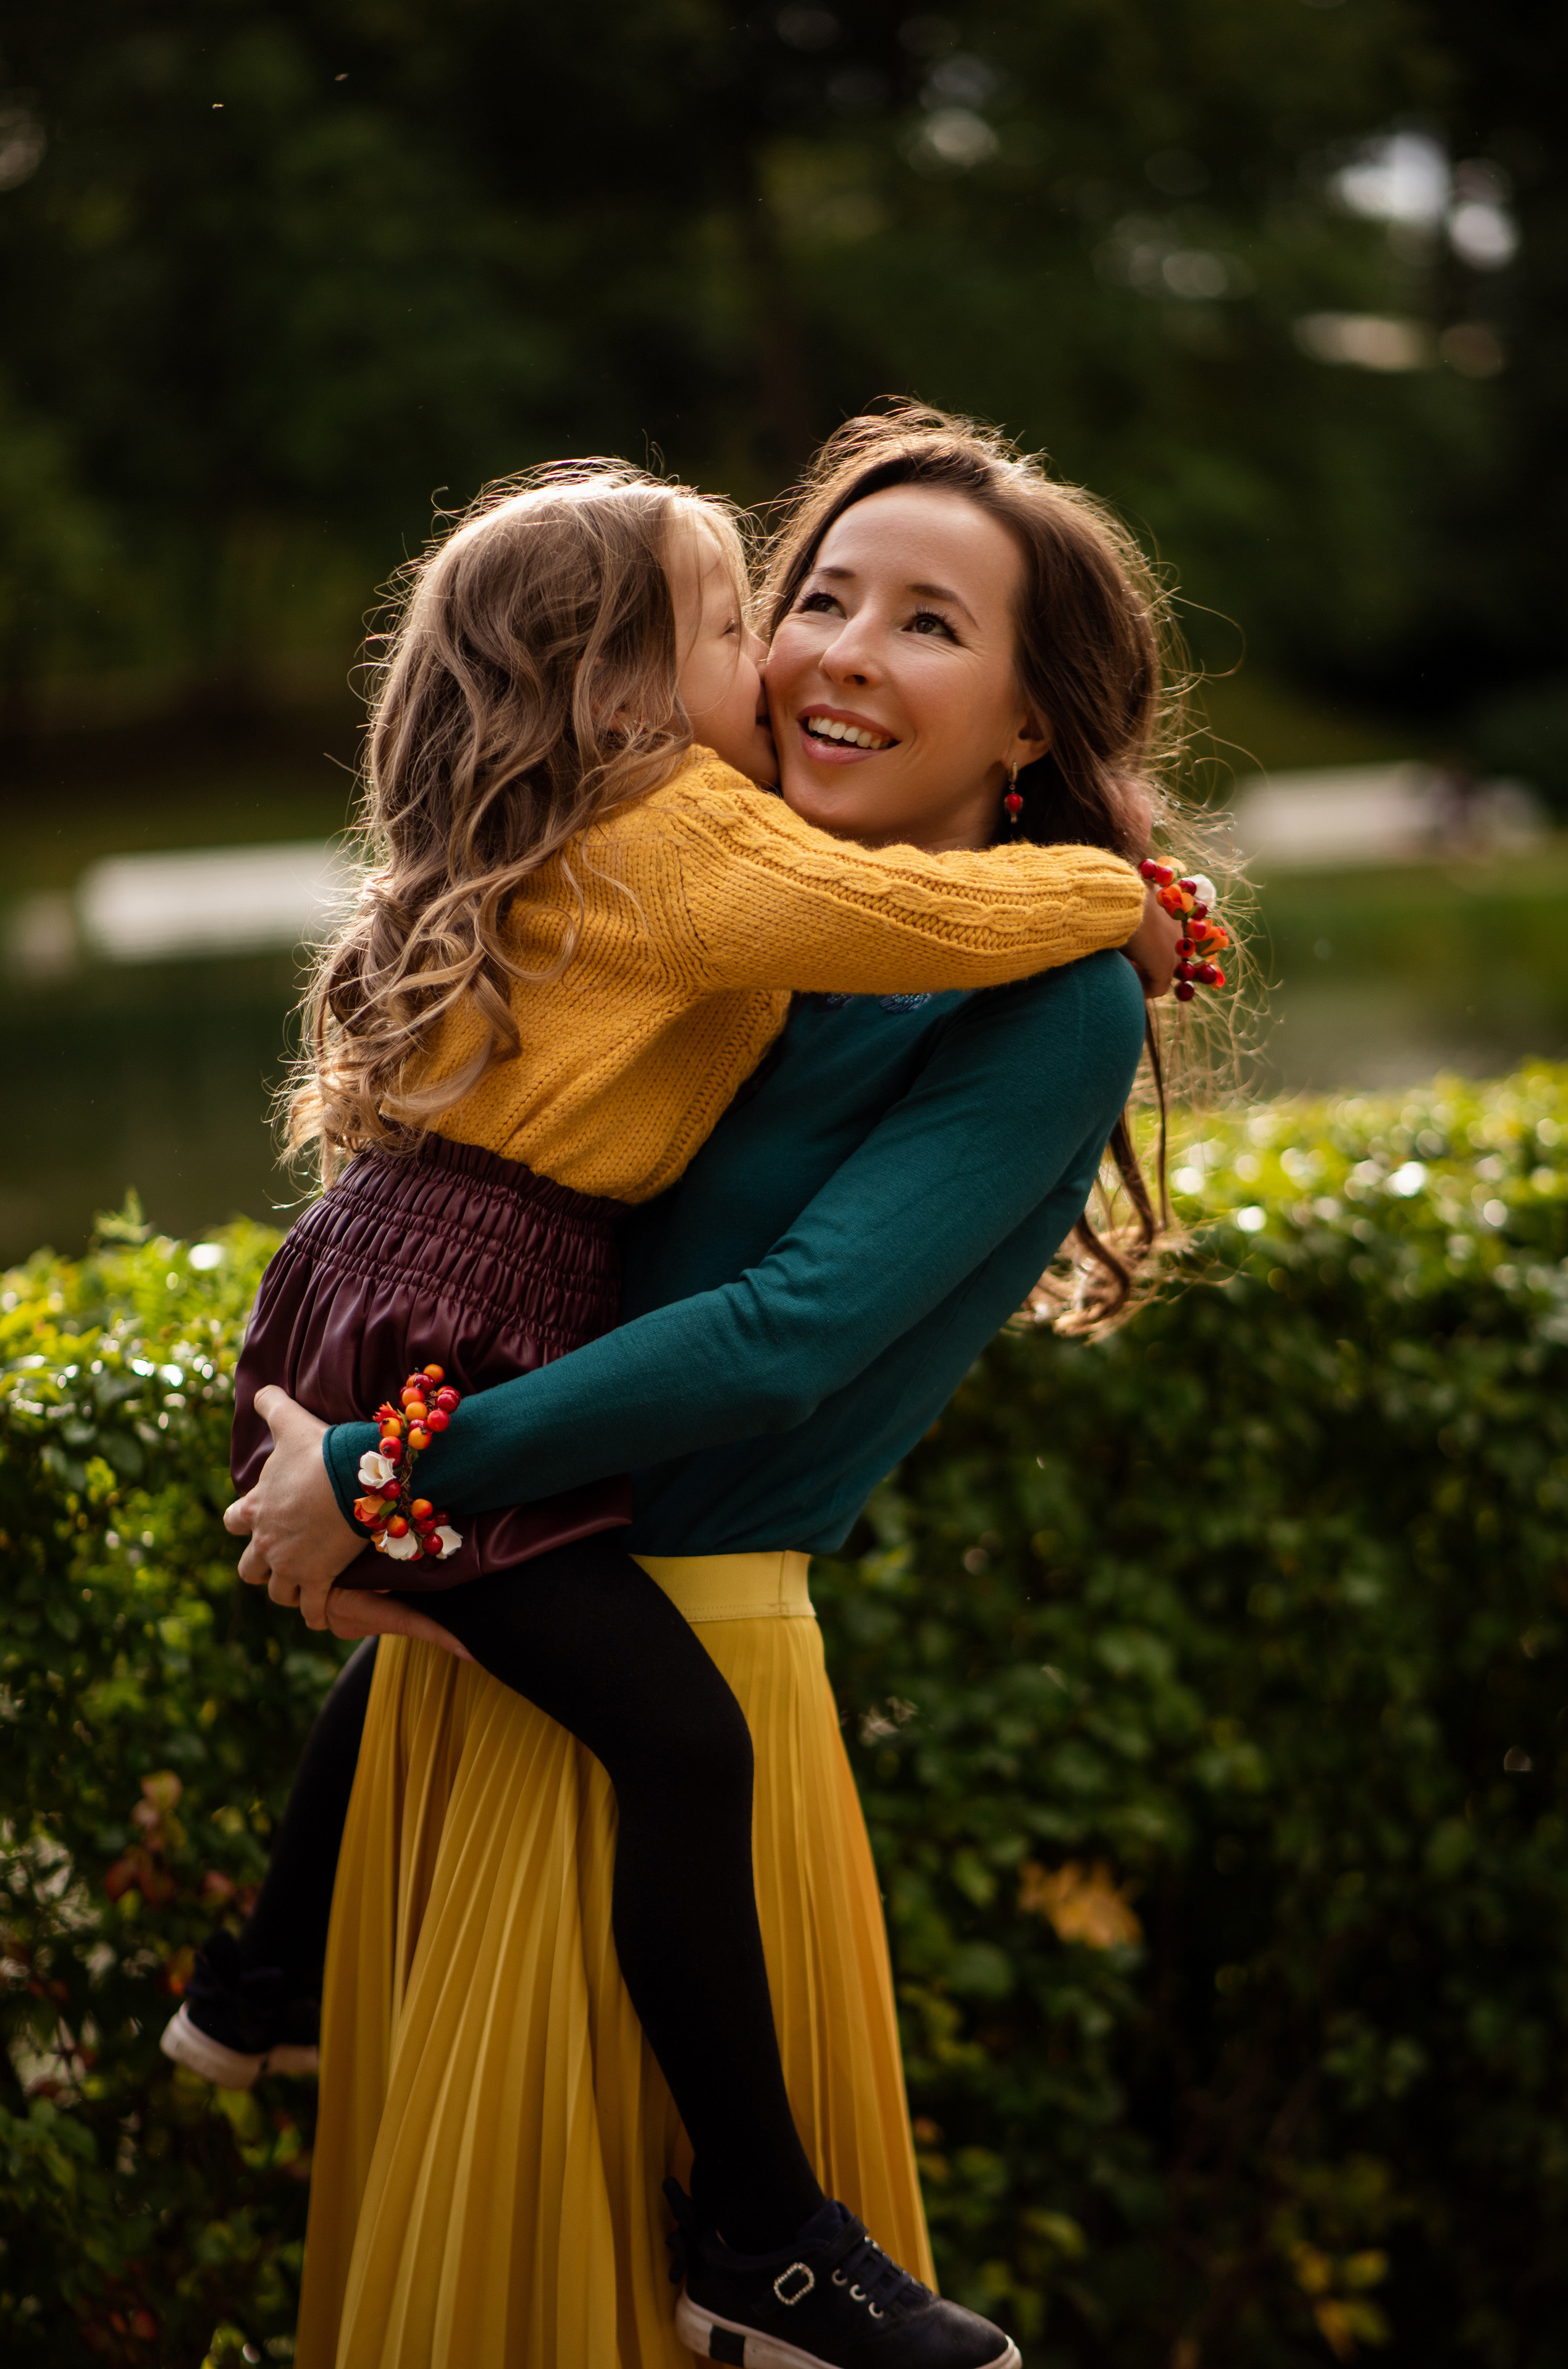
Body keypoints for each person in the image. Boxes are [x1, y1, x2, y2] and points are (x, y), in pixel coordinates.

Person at [228, 408, 1217, 2368]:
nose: (844, 650)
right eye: (818, 596)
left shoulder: (1046, 995)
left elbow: (782, 1334)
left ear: (1030, 724)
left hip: (663, 1653)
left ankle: (757, 2240)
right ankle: (260, 1975)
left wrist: (383, 1473)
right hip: (483, 1638)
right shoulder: (698, 913)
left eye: (930, 623)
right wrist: (388, 1504)